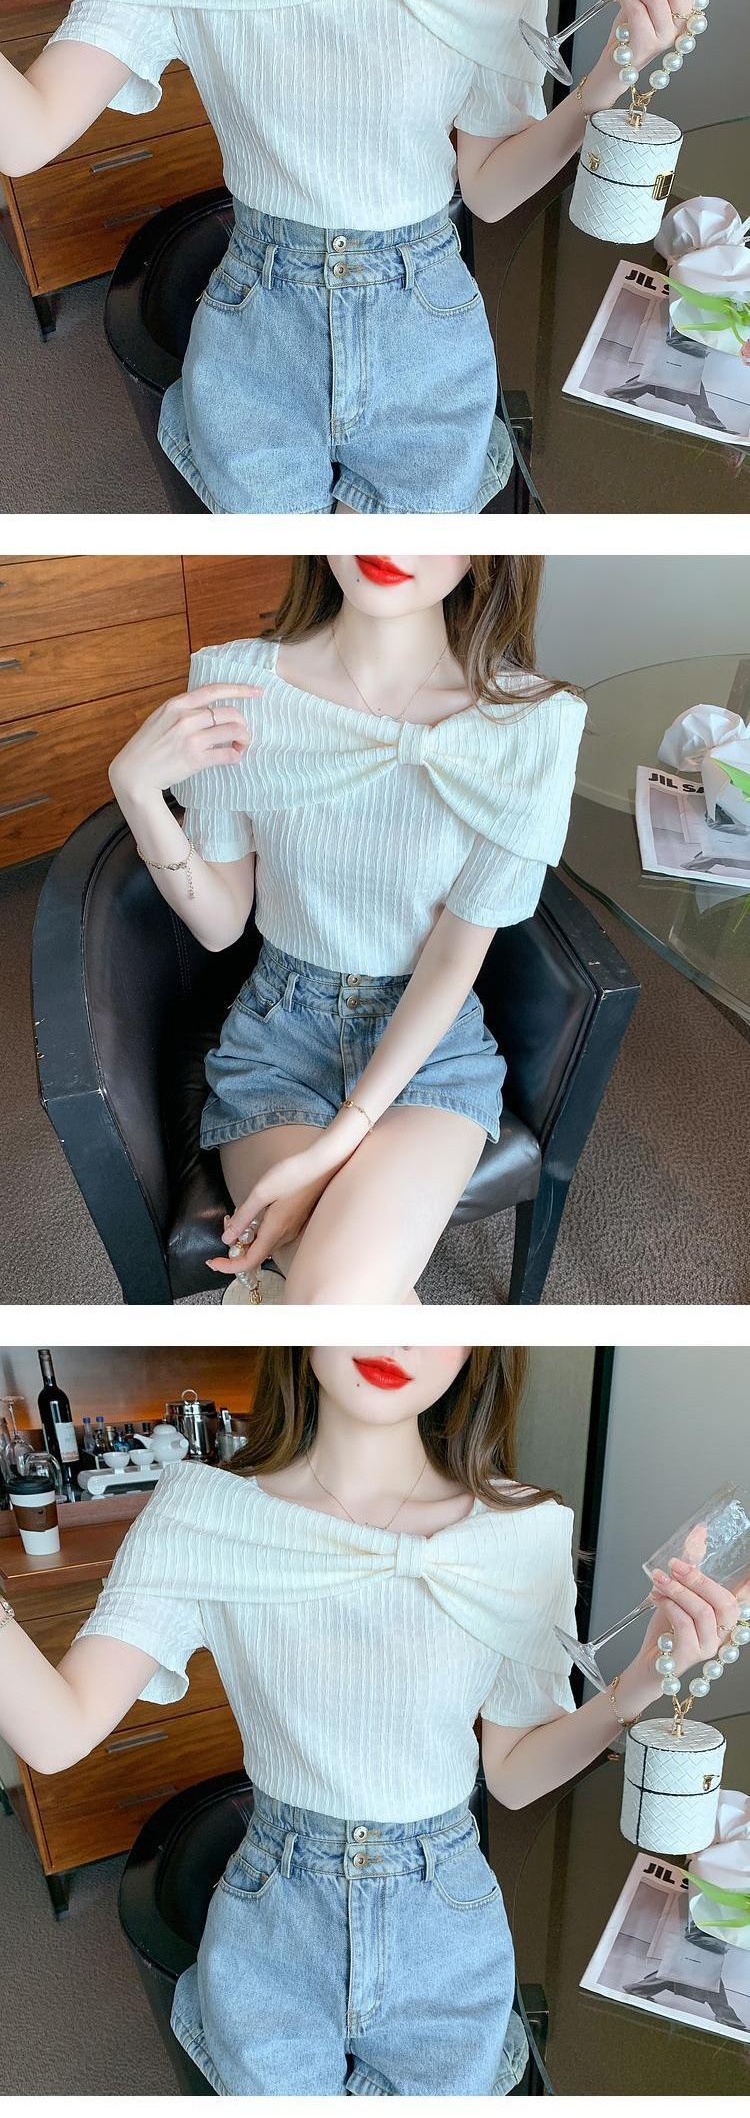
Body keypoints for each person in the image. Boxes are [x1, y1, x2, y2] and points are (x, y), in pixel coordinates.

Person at [0, 1345, 742, 2098]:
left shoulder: (522, 1533)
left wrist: (645, 1677)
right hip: (274, 1921)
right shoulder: (204, 1514)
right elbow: (57, 1734)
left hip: (446, 1925)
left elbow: (514, 1775)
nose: (396, 1340)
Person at [0, 0, 717, 513]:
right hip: (258, 332)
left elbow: (489, 190)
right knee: (286, 566)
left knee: (404, 568)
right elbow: (27, 136)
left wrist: (607, 77)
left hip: (428, 331)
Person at [106, 552, 587, 1299]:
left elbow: (453, 959)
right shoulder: (240, 684)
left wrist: (335, 1146)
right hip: (280, 1035)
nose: (392, 538)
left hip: (428, 1044)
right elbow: (221, 923)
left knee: (333, 1289)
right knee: (344, 1291)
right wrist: (139, 796)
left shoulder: (529, 725)